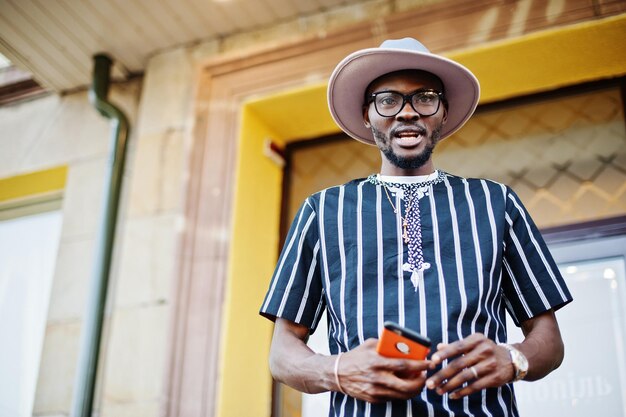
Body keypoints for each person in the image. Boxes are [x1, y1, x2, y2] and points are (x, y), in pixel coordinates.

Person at [259, 38, 572, 416]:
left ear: (442, 111)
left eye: (424, 98)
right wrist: (338, 370)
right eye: (388, 100)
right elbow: (282, 353)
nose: (407, 113)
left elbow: (549, 340)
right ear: (366, 114)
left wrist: (513, 358)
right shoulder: (322, 211)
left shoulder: (496, 202)